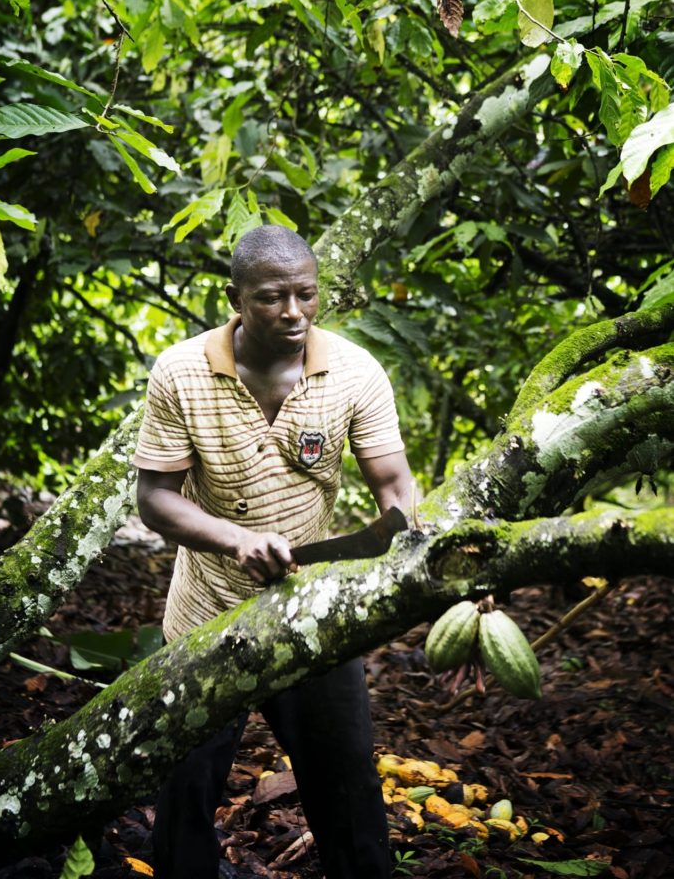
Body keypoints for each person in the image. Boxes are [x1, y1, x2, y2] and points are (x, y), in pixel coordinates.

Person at [133, 224, 413, 879]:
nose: (291, 311)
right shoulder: (180, 371)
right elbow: (154, 499)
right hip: (206, 614)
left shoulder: (353, 371)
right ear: (235, 296)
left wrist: (419, 548)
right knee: (184, 805)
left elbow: (394, 484)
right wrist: (236, 539)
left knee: (351, 804)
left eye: (305, 295)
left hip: (306, 612)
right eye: (270, 297)